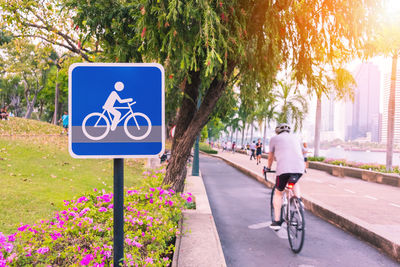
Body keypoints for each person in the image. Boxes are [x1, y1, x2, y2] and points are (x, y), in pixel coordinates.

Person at [266, 123, 305, 230]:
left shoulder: (274, 139)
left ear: (277, 131)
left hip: (283, 170)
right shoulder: (296, 138)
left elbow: (270, 157)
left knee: (278, 193)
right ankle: (299, 202)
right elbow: (303, 153)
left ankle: (277, 221)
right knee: (294, 182)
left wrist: (268, 168)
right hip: (299, 168)